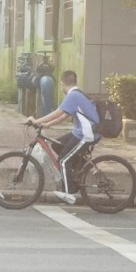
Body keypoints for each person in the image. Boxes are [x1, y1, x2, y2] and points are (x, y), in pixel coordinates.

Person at [27, 70, 100, 205]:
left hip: (86, 134)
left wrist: (36, 121)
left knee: (63, 161)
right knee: (57, 145)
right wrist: (47, 124)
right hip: (80, 132)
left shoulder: (73, 96)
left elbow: (58, 112)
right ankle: (78, 170)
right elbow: (64, 115)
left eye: (60, 86)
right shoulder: (77, 94)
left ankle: (69, 192)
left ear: (62, 84)